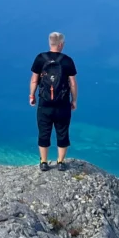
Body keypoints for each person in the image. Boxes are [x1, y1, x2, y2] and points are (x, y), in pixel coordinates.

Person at [29, 31, 78, 172]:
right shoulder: (67, 60)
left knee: (44, 132)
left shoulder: (40, 58)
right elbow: (73, 83)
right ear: (61, 44)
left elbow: (34, 79)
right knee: (62, 132)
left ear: (50, 43)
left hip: (45, 103)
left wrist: (32, 95)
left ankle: (44, 162)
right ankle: (61, 162)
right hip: (62, 104)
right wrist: (74, 100)